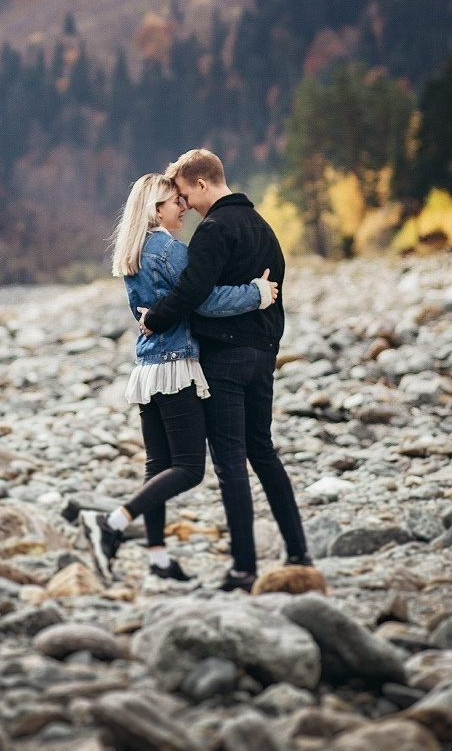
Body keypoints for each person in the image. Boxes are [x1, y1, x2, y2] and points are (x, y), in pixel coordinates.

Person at [80, 172, 277, 583]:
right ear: (156, 208)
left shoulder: (133, 250)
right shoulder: (168, 248)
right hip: (176, 365)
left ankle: (158, 561)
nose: (183, 208)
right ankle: (112, 523)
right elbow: (203, 300)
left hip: (148, 367)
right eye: (175, 203)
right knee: (189, 468)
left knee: (158, 466)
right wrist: (256, 293)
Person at [138, 148, 310, 592]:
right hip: (264, 354)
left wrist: (154, 318)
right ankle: (298, 552)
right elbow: (276, 289)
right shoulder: (263, 226)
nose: (186, 205)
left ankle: (244, 568)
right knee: (264, 452)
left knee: (231, 462)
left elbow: (194, 295)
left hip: (226, 361)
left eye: (184, 194)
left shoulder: (214, 230)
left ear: (201, 183)